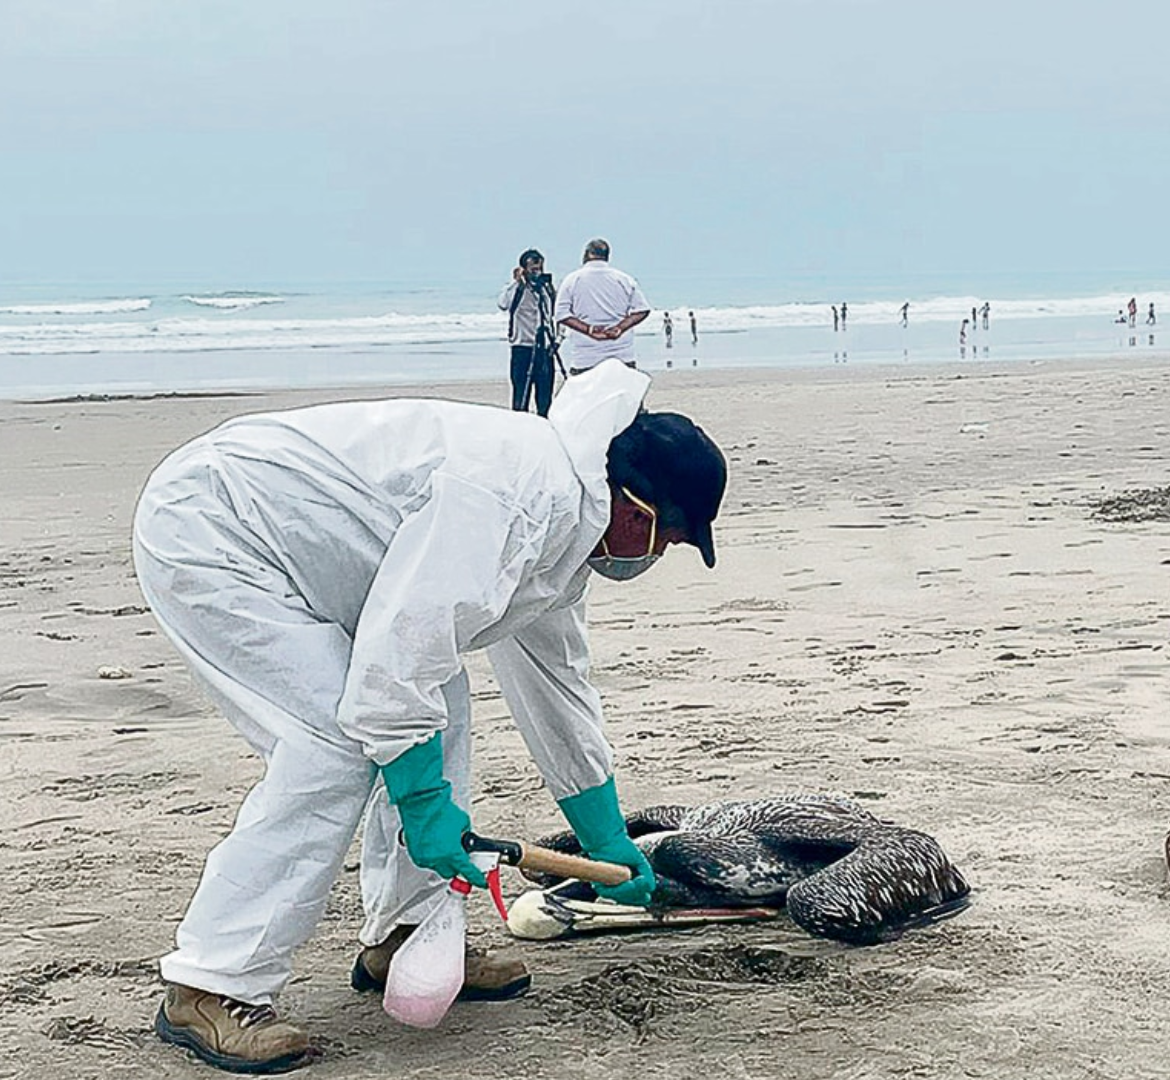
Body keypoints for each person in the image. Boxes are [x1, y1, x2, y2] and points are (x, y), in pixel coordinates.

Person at [136, 362, 727, 1073]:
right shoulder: (518, 499)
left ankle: (406, 935)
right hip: (219, 531)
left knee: (438, 709)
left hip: (315, 560)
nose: (659, 556)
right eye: (669, 539)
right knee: (335, 747)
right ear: (636, 507)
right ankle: (208, 984)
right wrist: (423, 804)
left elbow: (555, 685)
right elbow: (400, 655)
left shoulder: (569, 534)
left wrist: (606, 839)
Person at [554, 238, 651, 374]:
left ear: (586, 254)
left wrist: (589, 329)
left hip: (586, 356)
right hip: (622, 355)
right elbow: (642, 310)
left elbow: (561, 314)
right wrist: (620, 328)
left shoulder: (572, 280)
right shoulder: (624, 279)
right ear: (607, 256)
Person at [496, 249, 559, 416]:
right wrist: (517, 282)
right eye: (533, 269)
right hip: (522, 347)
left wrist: (557, 340)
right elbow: (503, 304)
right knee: (520, 399)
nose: (537, 273)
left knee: (545, 400)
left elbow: (557, 314)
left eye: (539, 268)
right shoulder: (516, 290)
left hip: (544, 350)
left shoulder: (546, 289)